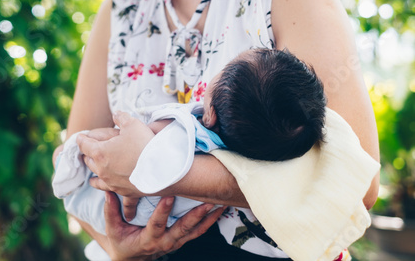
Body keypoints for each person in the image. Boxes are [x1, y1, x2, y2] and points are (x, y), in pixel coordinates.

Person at [53, 0, 380, 259]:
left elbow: (355, 183)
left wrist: (158, 170)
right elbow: (76, 156)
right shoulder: (122, 7)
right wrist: (117, 246)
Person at [52, 48, 326, 245]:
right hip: (150, 226)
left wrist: (130, 137)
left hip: (123, 210)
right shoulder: (241, 151)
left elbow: (145, 159)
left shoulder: (185, 131)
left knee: (66, 154)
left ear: (211, 115)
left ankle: (67, 178)